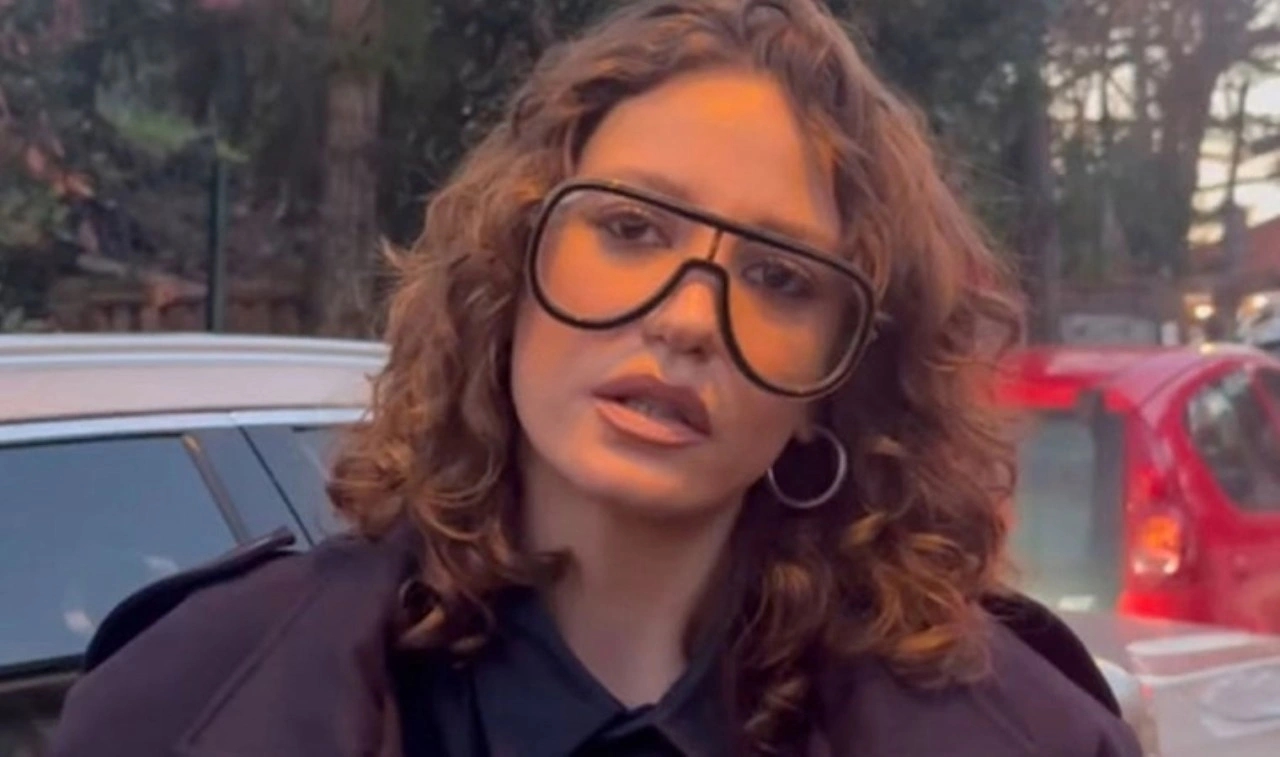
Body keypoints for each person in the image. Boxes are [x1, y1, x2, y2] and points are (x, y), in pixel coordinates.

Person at [51, 1, 1142, 755]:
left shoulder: (1024, 735)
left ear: (838, 374)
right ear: (508, 266)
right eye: (629, 228)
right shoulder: (189, 700)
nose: (685, 319)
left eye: (777, 276)